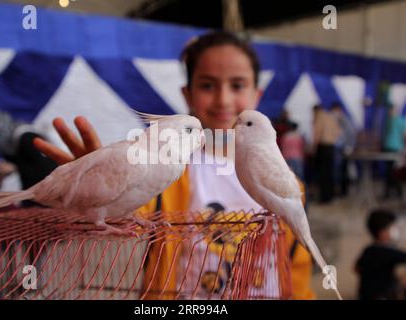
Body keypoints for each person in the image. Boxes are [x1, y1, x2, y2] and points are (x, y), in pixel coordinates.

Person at [34, 31, 315, 299]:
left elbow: (296, 269)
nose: (223, 99)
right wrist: (100, 180)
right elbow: (127, 212)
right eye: (207, 85)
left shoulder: (290, 184)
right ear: (187, 94)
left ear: (257, 96)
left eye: (237, 85)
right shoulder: (164, 170)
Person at [0, 106, 58, 192]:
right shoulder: (3, 144)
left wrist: (15, 167)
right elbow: (12, 168)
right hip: (33, 191)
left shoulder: (25, 136)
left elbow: (47, 169)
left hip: (52, 187)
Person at [355, 209, 406, 299]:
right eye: (392, 227)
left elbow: (356, 268)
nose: (396, 230)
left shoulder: (368, 249)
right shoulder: (388, 252)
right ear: (382, 232)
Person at [312, 105, 341, 203]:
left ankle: (324, 198)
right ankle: (330, 196)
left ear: (316, 111)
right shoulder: (331, 117)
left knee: (323, 174)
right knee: (330, 173)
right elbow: (338, 132)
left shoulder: (320, 116)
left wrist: (314, 148)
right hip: (331, 147)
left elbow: (317, 133)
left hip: (323, 147)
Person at [330, 103, 356, 197]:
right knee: (337, 171)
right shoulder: (333, 121)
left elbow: (351, 133)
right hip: (335, 148)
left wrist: (349, 146)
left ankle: (343, 191)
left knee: (342, 171)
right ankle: (338, 190)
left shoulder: (344, 120)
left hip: (343, 148)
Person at [381, 106, 405, 199]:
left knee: (392, 170)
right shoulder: (390, 121)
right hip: (391, 148)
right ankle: (393, 192)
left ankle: (393, 192)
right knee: (391, 171)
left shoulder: (396, 121)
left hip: (393, 148)